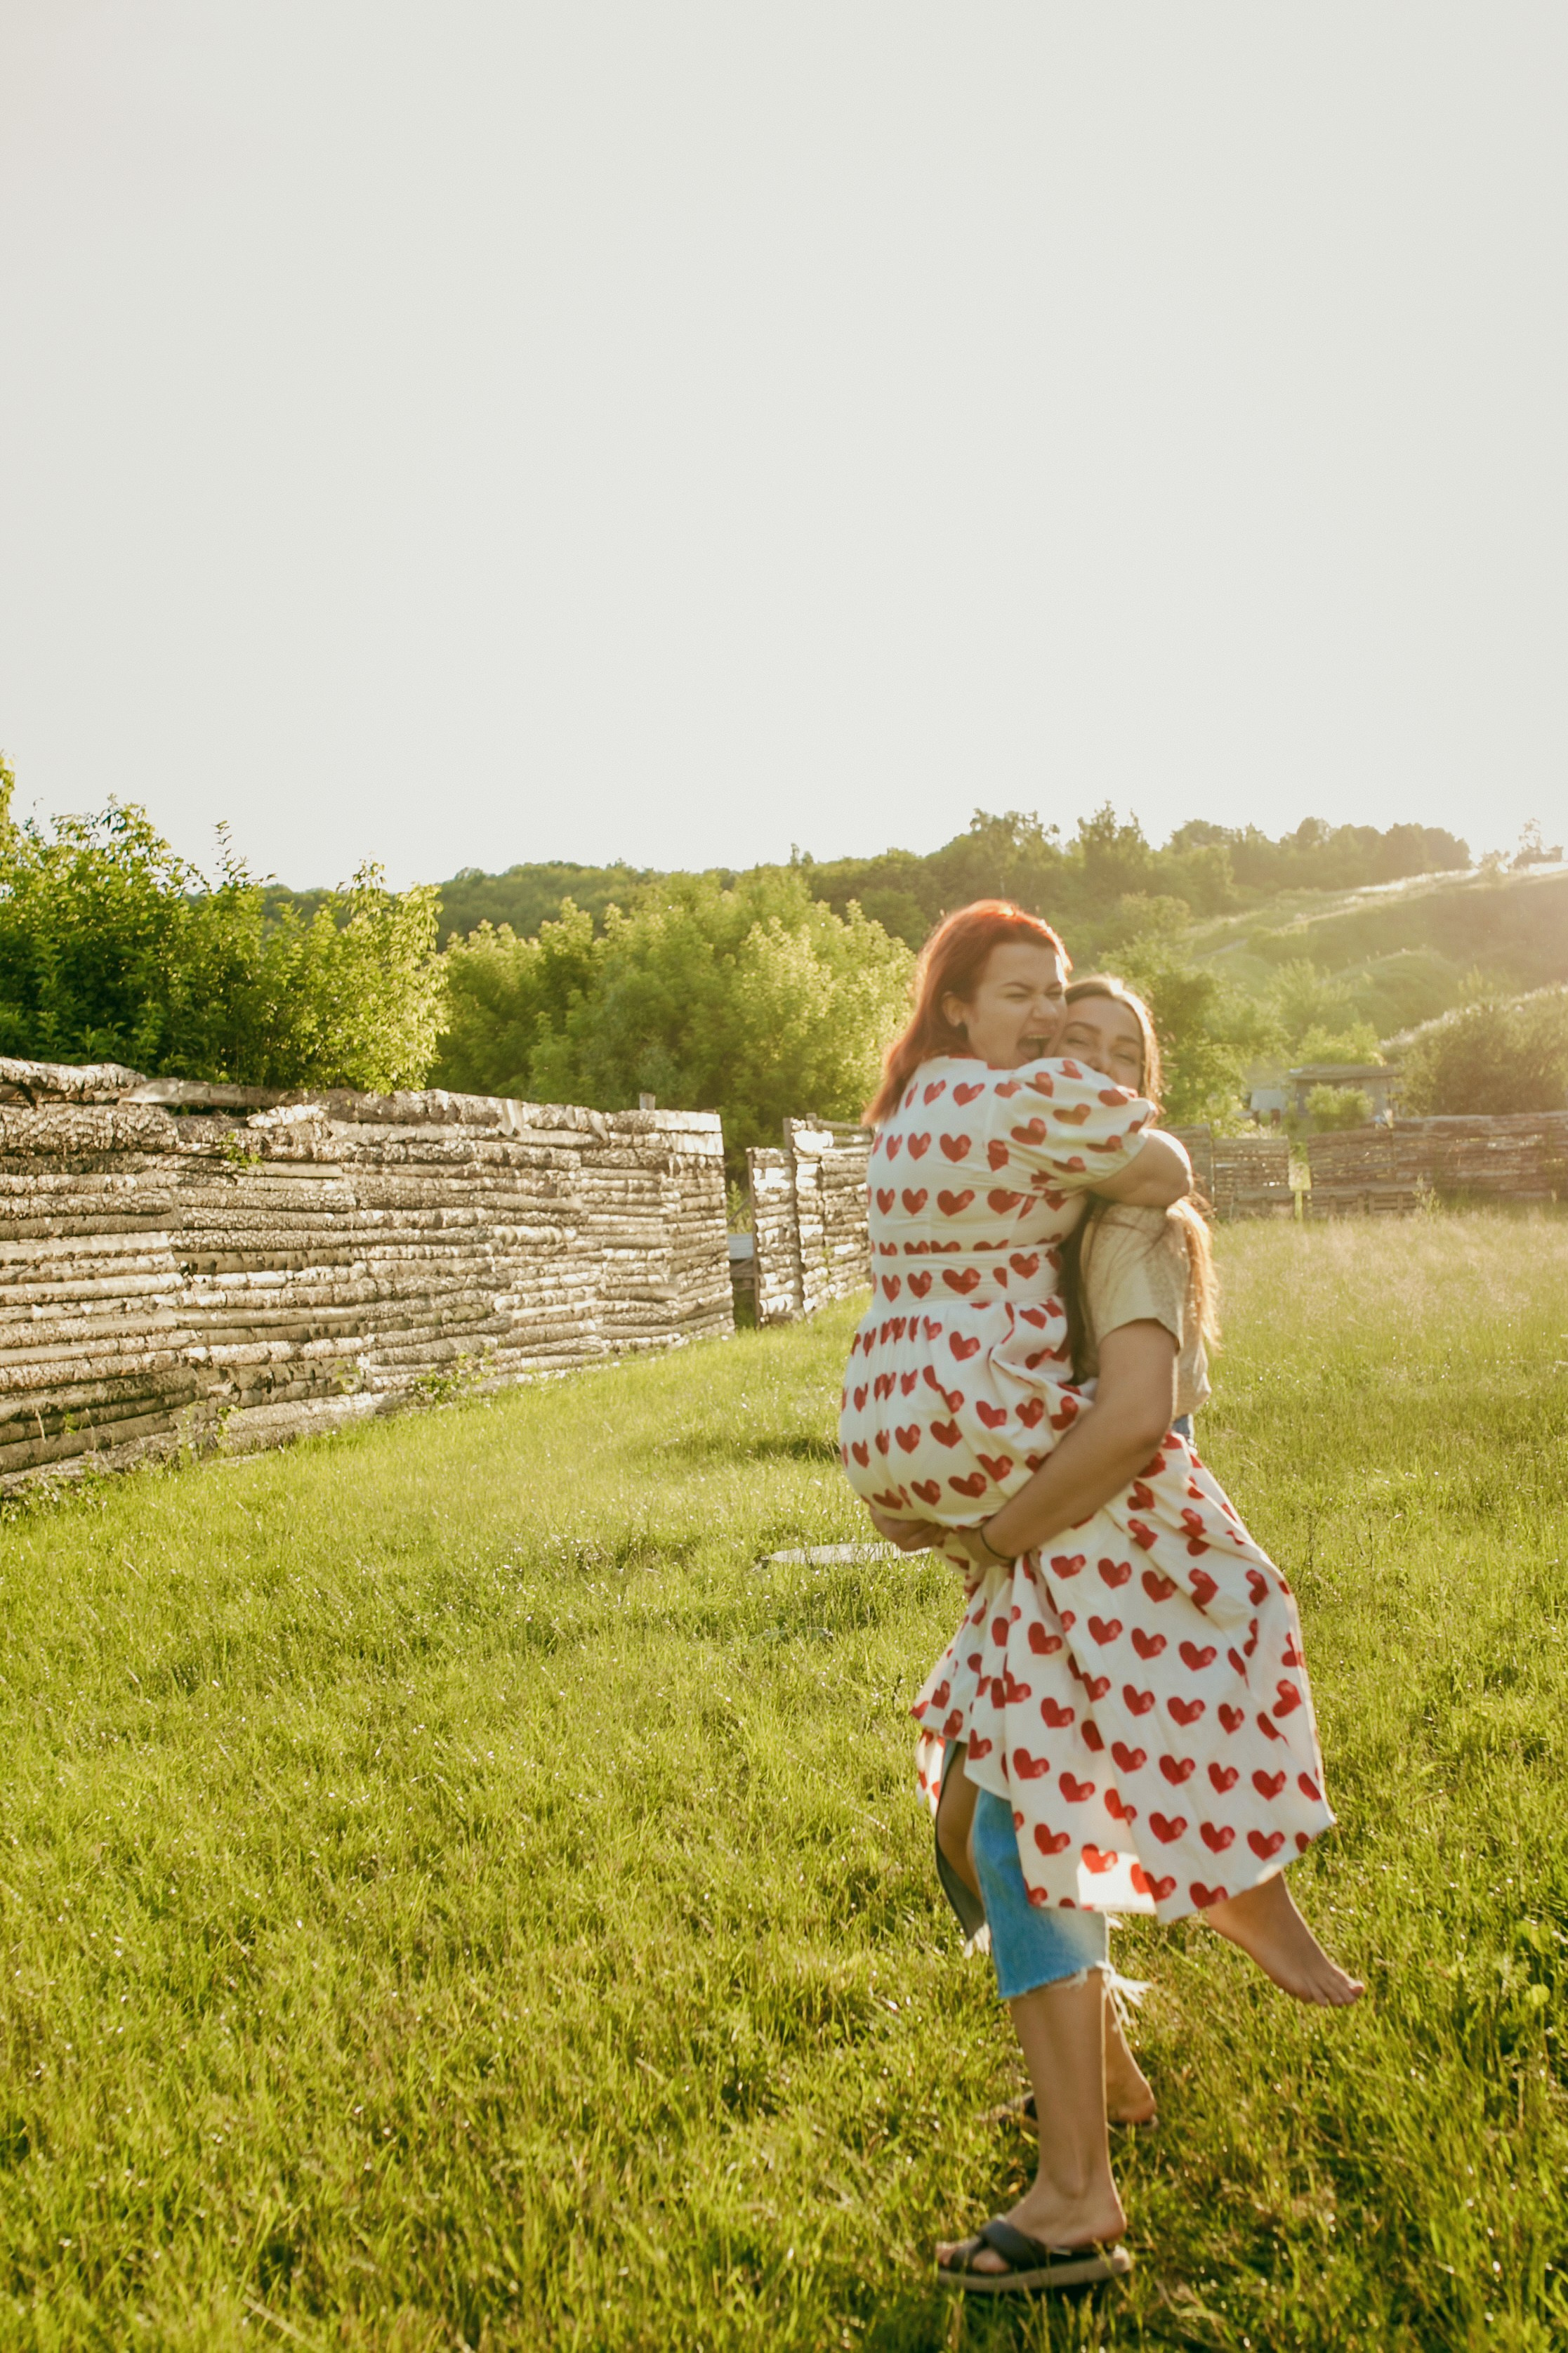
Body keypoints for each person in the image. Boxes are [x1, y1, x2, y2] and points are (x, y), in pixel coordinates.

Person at [839, 905, 1360, 2294]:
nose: (1064, 1052)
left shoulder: (1125, 1218)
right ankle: (1103, 2076)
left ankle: (1079, 2180)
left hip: (1095, 1554)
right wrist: (938, 1500)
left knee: (1014, 1832)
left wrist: (993, 1525)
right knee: (965, 1807)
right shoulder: (1037, 1189)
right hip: (1048, 1559)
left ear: (1130, 1083)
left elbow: (1129, 1416)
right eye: (1052, 1027)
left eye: (1098, 1042)